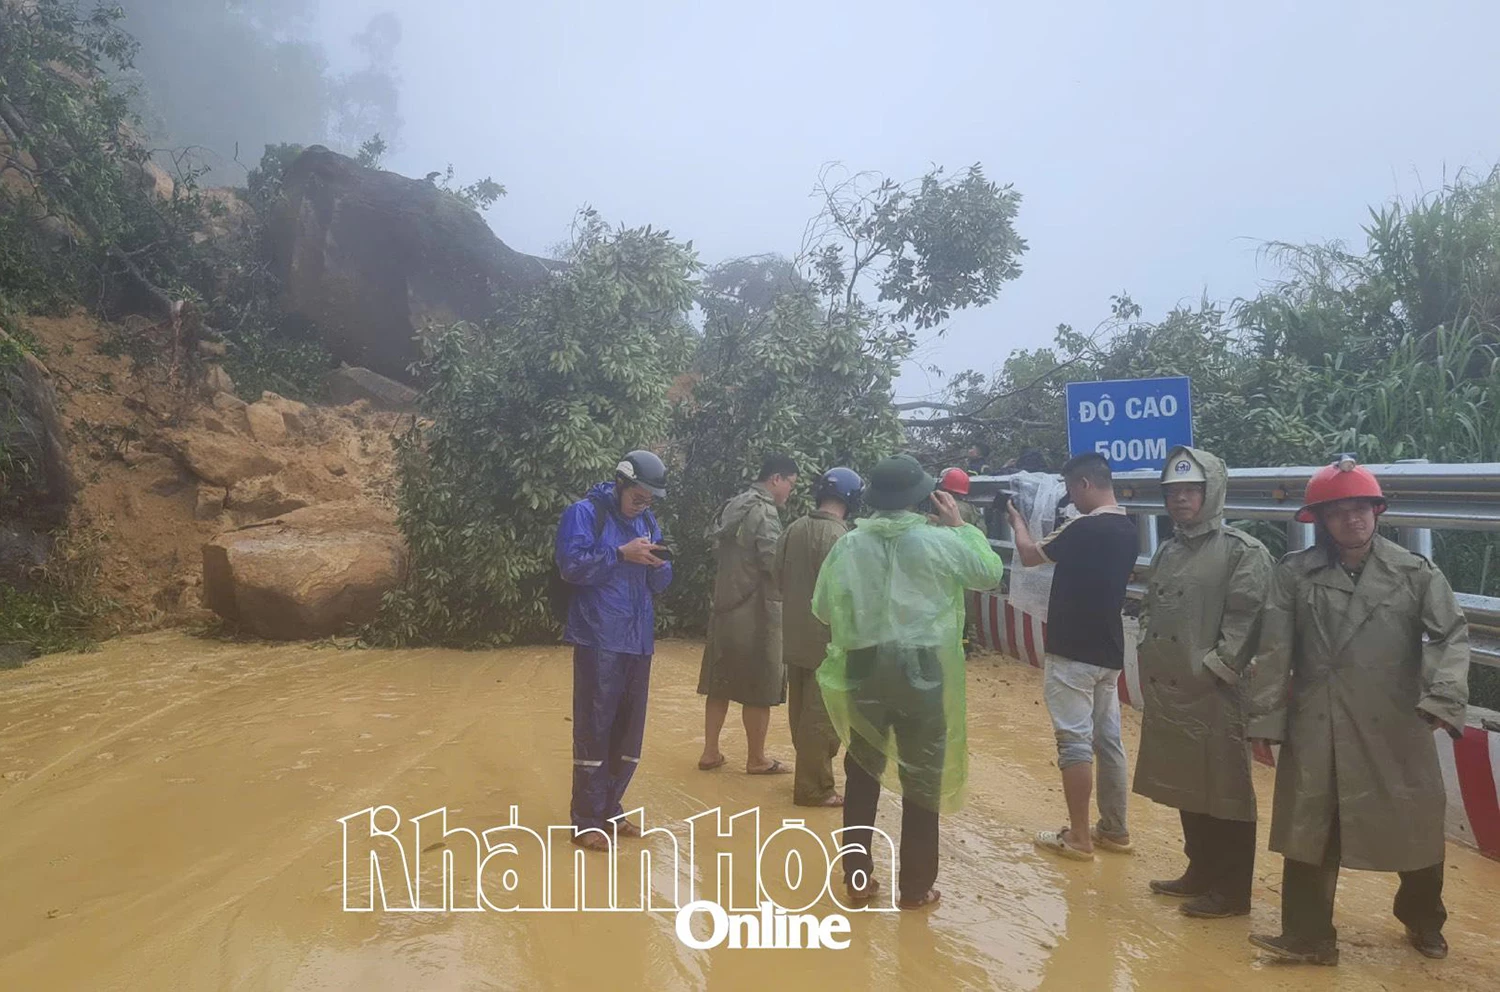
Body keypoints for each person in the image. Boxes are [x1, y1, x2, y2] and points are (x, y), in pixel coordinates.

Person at [1247, 457, 1469, 966]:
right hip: (1318, 721)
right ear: (1320, 522)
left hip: (1396, 720)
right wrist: (1264, 722)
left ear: (1378, 512)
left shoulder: (1413, 572)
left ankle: (1422, 919)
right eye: (1339, 512)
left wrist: (1442, 697)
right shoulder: (1295, 575)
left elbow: (1451, 634)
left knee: (1413, 825)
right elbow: (1275, 650)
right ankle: (1308, 936)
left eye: (1362, 509)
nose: (1353, 520)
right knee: (1310, 828)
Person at [813, 454, 1005, 910]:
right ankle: (916, 887)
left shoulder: (849, 545)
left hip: (864, 666)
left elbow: (822, 607)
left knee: (861, 773)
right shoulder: (940, 542)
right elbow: (990, 574)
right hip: (923, 670)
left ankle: (857, 878)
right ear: (923, 496)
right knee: (923, 777)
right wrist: (960, 525)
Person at [1133, 447, 1272, 919]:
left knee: (1226, 789)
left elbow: (1248, 620)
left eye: (1190, 491)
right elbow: (1151, 604)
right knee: (1185, 783)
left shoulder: (1242, 552)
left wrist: (1214, 668)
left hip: (1214, 693)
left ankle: (1232, 892)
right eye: (1172, 492)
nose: (1180, 500)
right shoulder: (1168, 549)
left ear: (1211, 492)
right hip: (1172, 690)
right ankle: (1200, 871)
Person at [1008, 452, 1139, 861]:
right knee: (1109, 741)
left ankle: (1079, 836)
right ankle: (1114, 830)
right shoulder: (1129, 528)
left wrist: (1017, 522)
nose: (1069, 498)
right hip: (1109, 649)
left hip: (1072, 650)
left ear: (1084, 484)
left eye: (1069, 488)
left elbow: (1030, 556)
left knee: (1074, 743)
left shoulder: (1083, 527)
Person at [555, 450, 673, 851]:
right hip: (598, 636)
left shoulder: (646, 521)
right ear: (620, 483)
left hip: (638, 638)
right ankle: (585, 819)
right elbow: (570, 567)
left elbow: (662, 584)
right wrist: (621, 554)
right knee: (594, 726)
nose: (642, 505)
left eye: (649, 500)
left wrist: (660, 563)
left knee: (628, 731)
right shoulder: (584, 513)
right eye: (638, 497)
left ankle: (609, 806)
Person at [698, 454, 799, 775]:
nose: (790, 493)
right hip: (757, 610)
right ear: (776, 480)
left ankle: (710, 752)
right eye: (791, 485)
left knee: (720, 681)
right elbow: (773, 563)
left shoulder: (733, 505)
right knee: (761, 683)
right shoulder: (765, 512)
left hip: (725, 605)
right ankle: (757, 759)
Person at [773, 466, 863, 807]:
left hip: (794, 635)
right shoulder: (845, 540)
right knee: (821, 719)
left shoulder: (793, 528)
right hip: (829, 641)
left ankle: (808, 775)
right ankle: (814, 788)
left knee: (800, 713)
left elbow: (776, 577)